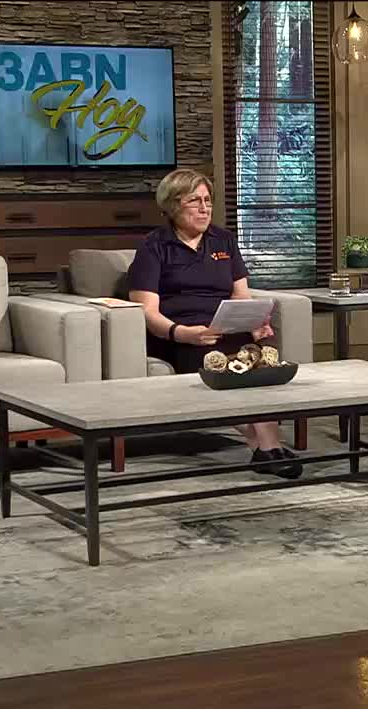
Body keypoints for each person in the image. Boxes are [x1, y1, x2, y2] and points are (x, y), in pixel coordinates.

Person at [127, 168, 303, 479]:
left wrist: (257, 321)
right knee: (227, 366)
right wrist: (182, 334)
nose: (205, 208)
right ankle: (267, 447)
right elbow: (146, 311)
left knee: (264, 361)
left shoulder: (224, 240)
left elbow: (241, 294)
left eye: (208, 200)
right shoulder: (154, 246)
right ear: (172, 205)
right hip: (183, 336)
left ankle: (265, 449)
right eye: (195, 201)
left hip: (228, 328)